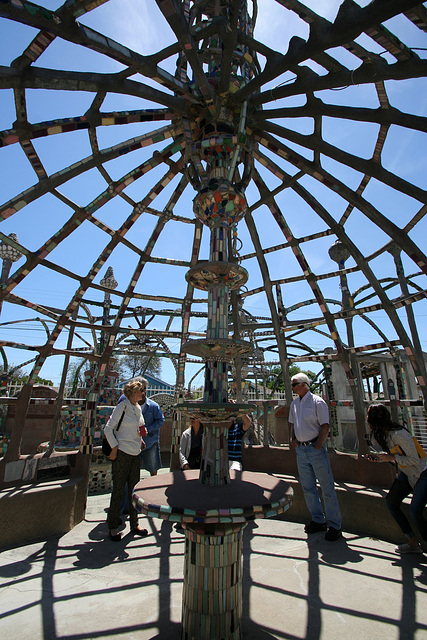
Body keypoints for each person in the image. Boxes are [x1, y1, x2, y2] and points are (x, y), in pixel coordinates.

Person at [366, 403, 427, 554]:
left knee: (415, 511)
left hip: (422, 473)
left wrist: (391, 458)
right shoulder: (385, 435)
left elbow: (414, 459)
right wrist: (379, 459)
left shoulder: (399, 434)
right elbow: (394, 458)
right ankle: (412, 541)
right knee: (391, 503)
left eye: (368, 417)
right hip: (408, 473)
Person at [289, 373, 342, 541]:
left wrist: (319, 445)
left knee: (326, 487)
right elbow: (292, 422)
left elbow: (325, 425)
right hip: (301, 450)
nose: (292, 387)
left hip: (314, 448)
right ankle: (318, 519)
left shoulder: (318, 402)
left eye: (295, 384)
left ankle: (334, 525)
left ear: (304, 384)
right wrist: (293, 438)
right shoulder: (295, 404)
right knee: (308, 487)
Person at [104, 379, 149, 541]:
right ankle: (113, 526)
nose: (143, 393)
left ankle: (134, 523)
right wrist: (115, 448)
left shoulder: (138, 409)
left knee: (134, 490)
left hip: (135, 452)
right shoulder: (122, 407)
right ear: (132, 392)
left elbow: (138, 428)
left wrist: (141, 437)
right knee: (118, 489)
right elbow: (108, 429)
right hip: (122, 452)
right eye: (140, 390)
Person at [138, 377, 165, 476]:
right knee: (133, 469)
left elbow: (160, 420)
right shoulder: (130, 406)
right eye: (140, 388)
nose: (142, 391)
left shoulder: (153, 406)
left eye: (144, 388)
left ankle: (152, 487)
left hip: (150, 442)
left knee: (153, 468)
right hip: (133, 442)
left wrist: (147, 430)